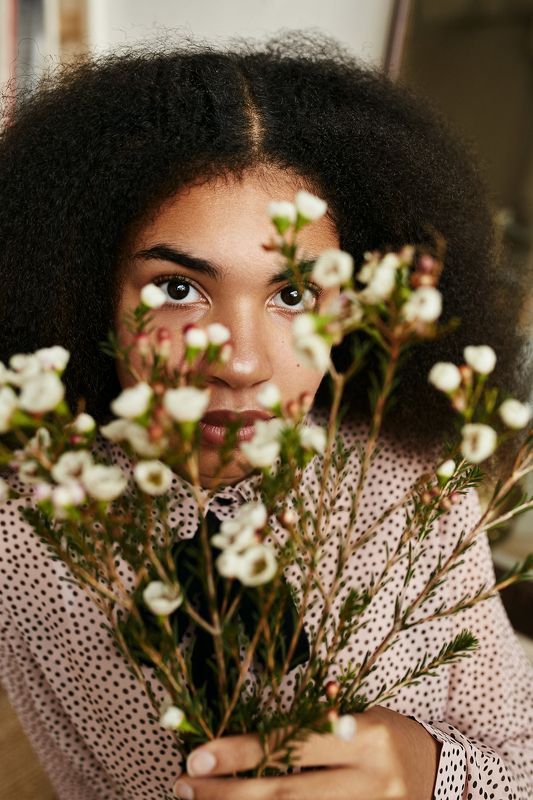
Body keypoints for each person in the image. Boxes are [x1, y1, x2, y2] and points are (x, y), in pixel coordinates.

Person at [0, 32, 532, 800]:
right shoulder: (28, 520)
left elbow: (517, 763)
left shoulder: (412, 490)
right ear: (88, 292)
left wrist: (426, 772)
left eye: (293, 295)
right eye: (178, 289)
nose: (241, 361)